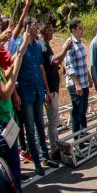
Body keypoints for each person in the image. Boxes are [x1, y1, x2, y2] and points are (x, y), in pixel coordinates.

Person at [0, 20, 48, 193]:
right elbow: (4, 90)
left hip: (6, 123)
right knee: (14, 175)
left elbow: (10, 69)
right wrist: (14, 77)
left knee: (15, 174)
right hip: (2, 127)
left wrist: (19, 53)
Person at [15, 18, 57, 175]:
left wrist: (46, 90)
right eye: (34, 24)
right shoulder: (20, 45)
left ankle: (45, 156)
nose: (37, 27)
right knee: (30, 129)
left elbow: (41, 69)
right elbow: (15, 68)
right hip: (26, 93)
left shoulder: (38, 47)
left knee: (41, 126)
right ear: (27, 27)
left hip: (38, 91)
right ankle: (37, 162)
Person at [64, 18, 95, 137]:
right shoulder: (69, 44)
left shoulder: (80, 43)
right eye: (80, 28)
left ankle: (83, 135)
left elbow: (83, 64)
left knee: (83, 111)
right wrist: (77, 84)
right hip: (75, 84)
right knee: (77, 112)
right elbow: (69, 66)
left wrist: (89, 78)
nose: (82, 31)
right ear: (73, 30)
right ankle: (76, 138)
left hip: (84, 82)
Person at [40, 23, 65, 161]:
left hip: (53, 88)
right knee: (53, 120)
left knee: (54, 119)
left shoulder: (47, 46)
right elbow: (52, 61)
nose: (52, 32)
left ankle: (55, 144)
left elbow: (53, 62)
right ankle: (54, 149)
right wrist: (65, 49)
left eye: (52, 30)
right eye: (48, 30)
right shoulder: (43, 47)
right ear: (43, 32)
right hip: (49, 90)